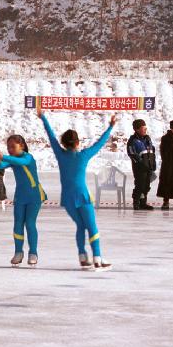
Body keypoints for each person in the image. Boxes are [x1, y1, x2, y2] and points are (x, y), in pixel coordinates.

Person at [40, 110, 116, 271]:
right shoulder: (83, 155)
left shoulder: (61, 155)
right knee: (92, 227)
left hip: (67, 199)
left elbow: (51, 137)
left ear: (64, 143)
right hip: (82, 196)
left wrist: (43, 118)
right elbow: (100, 143)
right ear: (77, 142)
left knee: (81, 226)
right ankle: (97, 258)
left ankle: (82, 256)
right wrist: (110, 126)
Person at [0, 134, 47, 267]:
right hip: (20, 196)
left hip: (34, 195)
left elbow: (21, 162)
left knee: (29, 223)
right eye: (8, 147)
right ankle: (18, 252)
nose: (10, 149)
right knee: (18, 223)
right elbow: (1, 165)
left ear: (22, 146)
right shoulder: (13, 159)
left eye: (13, 146)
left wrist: (4, 156)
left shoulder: (28, 157)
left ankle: (33, 253)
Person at [127, 119, 156, 210]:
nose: (145, 130)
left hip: (149, 166)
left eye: (145, 128)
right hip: (139, 168)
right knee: (140, 185)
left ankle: (143, 202)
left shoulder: (148, 138)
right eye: (143, 128)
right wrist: (141, 162)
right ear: (137, 129)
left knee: (146, 186)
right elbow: (131, 153)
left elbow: (152, 150)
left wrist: (153, 162)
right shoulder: (133, 140)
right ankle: (136, 202)